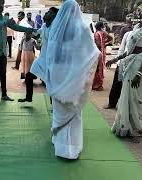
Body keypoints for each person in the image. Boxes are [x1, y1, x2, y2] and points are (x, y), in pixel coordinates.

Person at [31, 0, 100, 159]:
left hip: (57, 74)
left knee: (59, 109)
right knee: (73, 113)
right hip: (73, 74)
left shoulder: (56, 28)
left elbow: (49, 52)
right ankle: (71, 150)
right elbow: (91, 53)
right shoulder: (81, 28)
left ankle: (59, 144)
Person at [106, 12, 142, 142]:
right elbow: (129, 51)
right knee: (129, 98)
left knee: (140, 98)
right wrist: (115, 59)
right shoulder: (137, 28)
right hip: (131, 66)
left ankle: (138, 131)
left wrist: (139, 73)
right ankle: (126, 128)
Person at [0, 0, 35, 101]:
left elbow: (16, 27)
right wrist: (6, 22)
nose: (2, 6)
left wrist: (30, 30)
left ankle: (4, 95)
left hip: (3, 51)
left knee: (3, 73)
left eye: (2, 4)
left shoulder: (5, 18)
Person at [104, 30, 133, 109]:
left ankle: (126, 106)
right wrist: (118, 62)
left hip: (133, 62)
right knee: (117, 83)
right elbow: (122, 49)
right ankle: (112, 103)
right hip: (122, 62)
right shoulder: (127, 34)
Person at [18, 31, 40, 102]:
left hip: (30, 56)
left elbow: (37, 48)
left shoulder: (32, 40)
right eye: (26, 33)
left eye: (29, 33)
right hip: (24, 55)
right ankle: (28, 97)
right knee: (26, 70)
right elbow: (20, 48)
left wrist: (40, 44)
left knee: (29, 71)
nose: (28, 35)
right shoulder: (23, 39)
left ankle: (29, 97)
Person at [92, 21, 113, 91]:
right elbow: (111, 38)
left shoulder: (96, 33)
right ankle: (98, 85)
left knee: (97, 69)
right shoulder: (103, 32)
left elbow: (98, 45)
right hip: (102, 52)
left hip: (98, 53)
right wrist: (105, 43)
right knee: (100, 68)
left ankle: (97, 86)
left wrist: (102, 44)